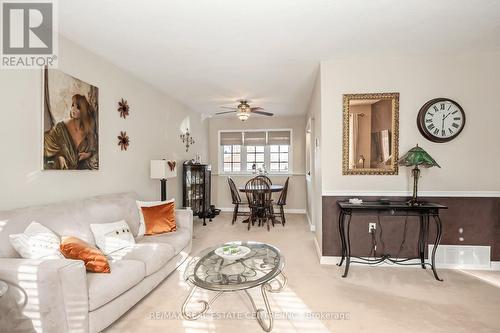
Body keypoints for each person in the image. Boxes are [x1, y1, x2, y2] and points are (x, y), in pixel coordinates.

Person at [44, 94, 98, 170]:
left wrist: (88, 154)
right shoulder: (61, 127)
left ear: (84, 110)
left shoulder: (88, 131)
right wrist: (59, 156)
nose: (73, 109)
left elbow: (95, 148)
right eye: (73, 105)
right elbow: (46, 142)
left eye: (78, 107)